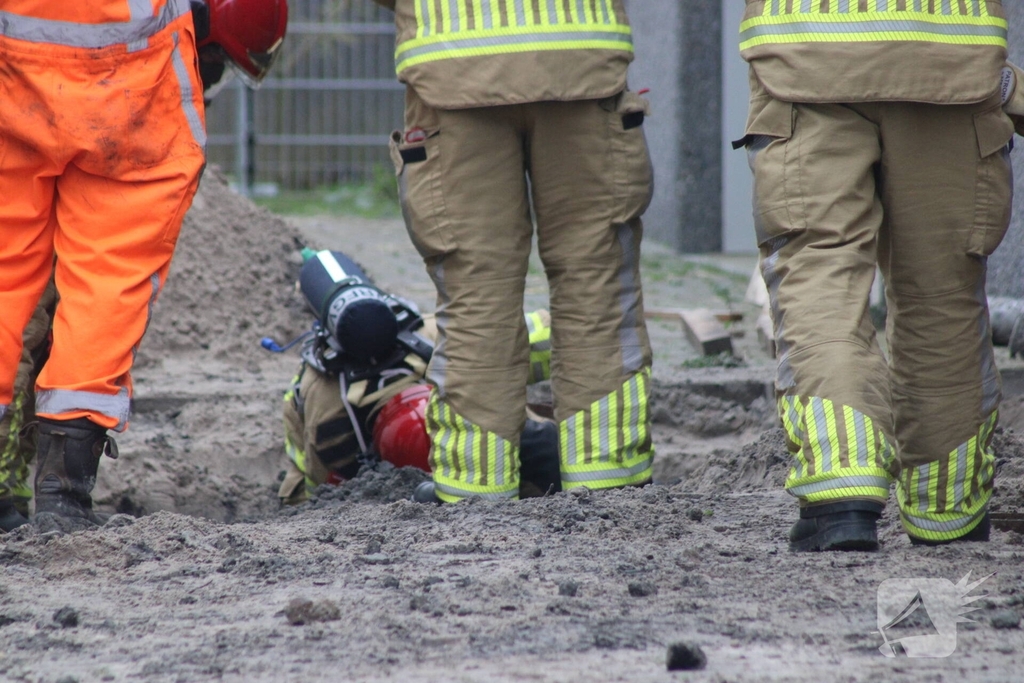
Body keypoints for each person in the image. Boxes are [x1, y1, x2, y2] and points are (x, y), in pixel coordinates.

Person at [737, 2, 1020, 550]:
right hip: (949, 65)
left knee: (821, 273)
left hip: (804, 59)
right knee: (942, 295)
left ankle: (845, 486)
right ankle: (948, 510)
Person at [0, 0, 288, 533]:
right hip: (132, 78)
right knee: (110, 284)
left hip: (12, 65)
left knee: (7, 276)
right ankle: (61, 497)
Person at [373, 0, 656, 503]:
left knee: (476, 290)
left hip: (451, 65)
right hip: (581, 55)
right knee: (595, 278)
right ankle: (609, 482)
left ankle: (474, 490)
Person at [274, 250, 561, 506]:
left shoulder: (434, 337)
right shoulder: (436, 337)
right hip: (492, 438)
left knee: (534, 442)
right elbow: (543, 338)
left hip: (499, 440)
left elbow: (311, 491)